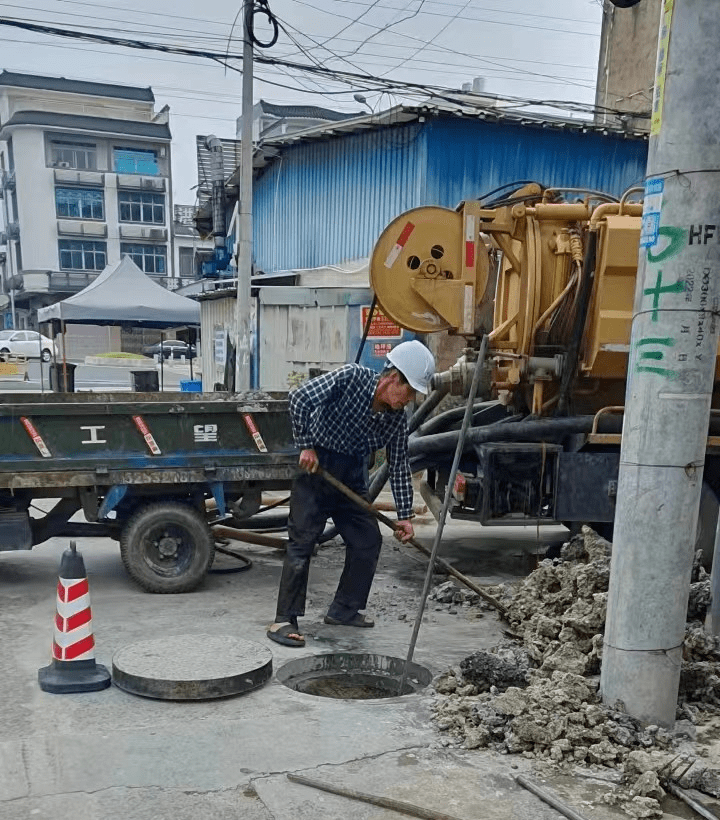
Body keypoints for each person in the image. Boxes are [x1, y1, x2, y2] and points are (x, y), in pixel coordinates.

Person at [267, 340, 435, 647]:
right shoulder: (351, 377)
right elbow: (300, 398)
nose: (408, 401)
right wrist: (305, 444)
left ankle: (344, 609)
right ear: (393, 378)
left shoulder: (396, 419)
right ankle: (284, 619)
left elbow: (399, 464)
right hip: (318, 467)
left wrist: (406, 516)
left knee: (367, 540)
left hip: (352, 476)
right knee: (303, 541)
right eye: (408, 392)